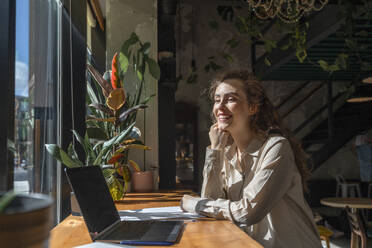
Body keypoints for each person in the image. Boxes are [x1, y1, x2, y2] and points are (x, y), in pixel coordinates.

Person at [180, 70, 322, 248]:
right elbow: (211, 200)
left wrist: (196, 204)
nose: (220, 107)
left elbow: (247, 212)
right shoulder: (226, 152)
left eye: (231, 99)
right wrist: (215, 150)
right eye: (217, 100)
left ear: (252, 108)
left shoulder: (276, 147)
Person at [353, 130, 372, 197]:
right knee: (366, 183)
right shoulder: (364, 147)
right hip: (365, 165)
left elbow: (355, 150)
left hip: (365, 165)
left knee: (366, 183)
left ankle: (365, 198)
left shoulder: (362, 147)